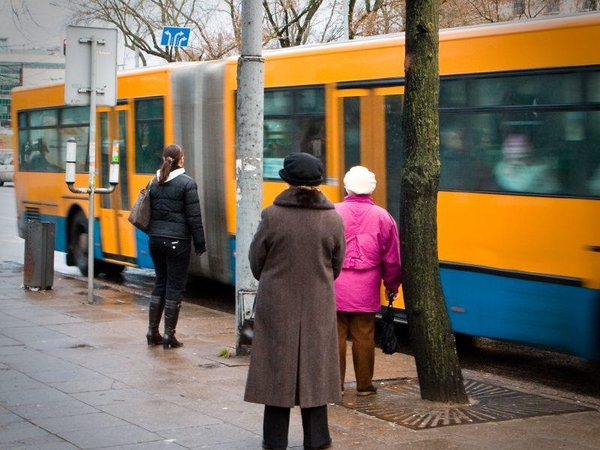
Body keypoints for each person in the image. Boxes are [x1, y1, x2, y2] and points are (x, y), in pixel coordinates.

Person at [244, 152, 346, 450]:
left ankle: (274, 440)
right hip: (318, 303)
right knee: (315, 370)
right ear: (318, 182)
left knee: (277, 369)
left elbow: (255, 259)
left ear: (286, 180)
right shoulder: (333, 218)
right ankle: (318, 438)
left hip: (277, 303)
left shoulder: (272, 215)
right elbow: (336, 264)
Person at [334, 166, 402, 396]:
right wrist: (392, 286)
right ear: (371, 189)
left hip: (334, 285)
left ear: (347, 186)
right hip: (366, 287)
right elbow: (392, 258)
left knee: (335, 335)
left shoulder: (333, 213)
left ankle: (335, 385)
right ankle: (364, 385)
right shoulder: (383, 217)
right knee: (364, 335)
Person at [145, 144, 206, 349]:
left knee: (160, 282)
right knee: (174, 286)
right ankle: (169, 335)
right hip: (177, 242)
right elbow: (194, 218)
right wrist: (200, 243)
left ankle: (152, 332)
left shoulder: (154, 182)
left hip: (155, 240)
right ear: (180, 160)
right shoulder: (187, 184)